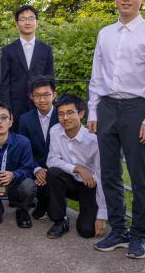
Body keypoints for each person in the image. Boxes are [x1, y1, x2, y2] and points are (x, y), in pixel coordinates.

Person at [87, 0, 145, 259]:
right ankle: (118, 229)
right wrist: (93, 109)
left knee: (139, 176)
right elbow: (97, 74)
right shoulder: (105, 33)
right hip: (107, 107)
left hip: (137, 109)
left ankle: (139, 235)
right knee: (108, 172)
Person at [45, 95, 108, 240]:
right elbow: (52, 159)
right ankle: (60, 220)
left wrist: (102, 216)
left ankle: (88, 212)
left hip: (90, 186)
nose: (65, 118)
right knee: (53, 173)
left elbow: (102, 176)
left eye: (70, 113)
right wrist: (77, 168)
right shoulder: (55, 131)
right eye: (61, 114)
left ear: (81, 114)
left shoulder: (93, 140)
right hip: (71, 182)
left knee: (87, 231)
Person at [0, 5, 54, 124]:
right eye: (23, 19)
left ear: (37, 22)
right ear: (17, 24)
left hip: (40, 103)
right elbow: (4, 82)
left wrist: (49, 103)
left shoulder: (46, 49)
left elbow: (50, 79)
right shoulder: (8, 50)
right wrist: (6, 109)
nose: (27, 22)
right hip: (15, 105)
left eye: (31, 18)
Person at [17, 76, 58, 220]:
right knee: (27, 183)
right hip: (36, 168)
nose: (42, 100)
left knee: (55, 214)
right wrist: (37, 169)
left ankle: (51, 204)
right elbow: (24, 150)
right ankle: (40, 201)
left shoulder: (63, 116)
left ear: (54, 94)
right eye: (37, 96)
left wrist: (50, 170)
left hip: (59, 168)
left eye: (46, 95)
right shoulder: (25, 119)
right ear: (31, 97)